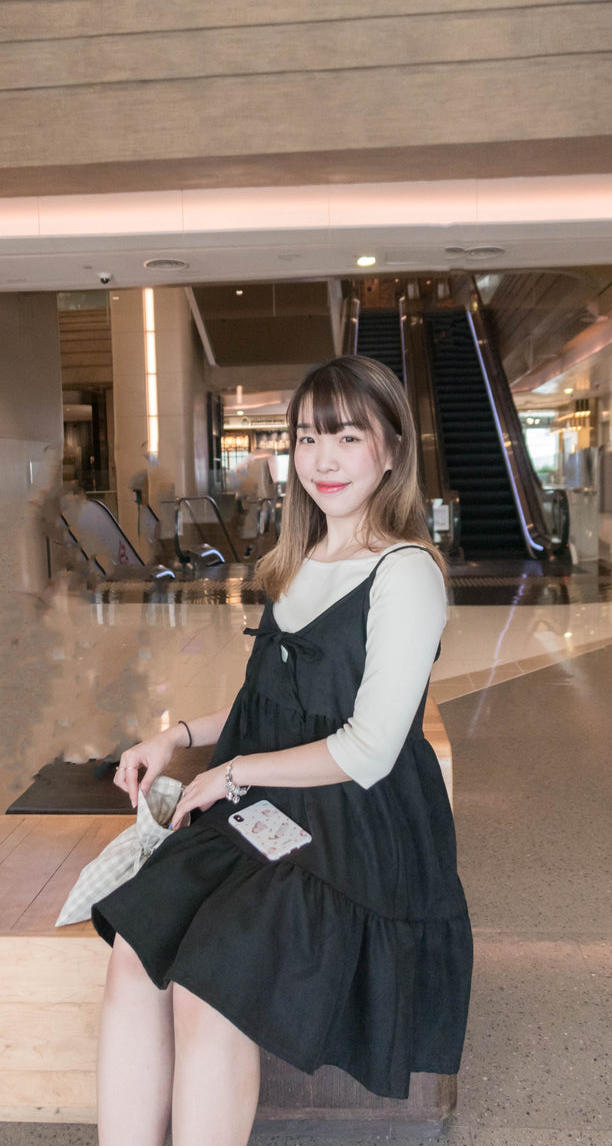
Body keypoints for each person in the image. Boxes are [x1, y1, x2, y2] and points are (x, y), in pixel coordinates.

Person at [92, 355, 473, 1146]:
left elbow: (369, 750)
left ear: (393, 451)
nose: (322, 459)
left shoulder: (406, 572)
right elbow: (271, 705)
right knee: (135, 949)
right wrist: (176, 737)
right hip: (268, 804)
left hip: (357, 829)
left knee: (210, 985)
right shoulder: (294, 562)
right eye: (306, 437)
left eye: (347, 437)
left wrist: (229, 772)